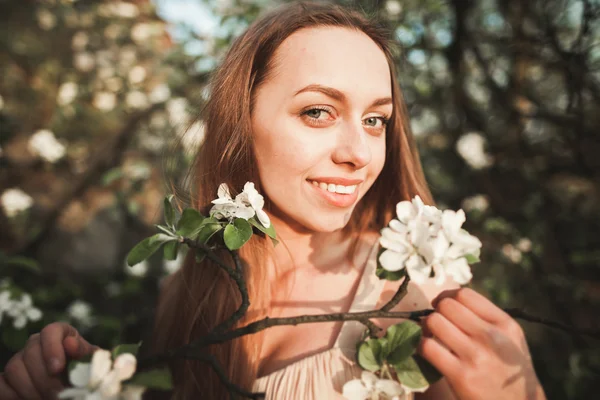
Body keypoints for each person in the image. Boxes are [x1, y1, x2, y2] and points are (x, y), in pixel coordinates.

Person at [0, 2, 547, 399]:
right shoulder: (195, 284)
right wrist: (103, 383)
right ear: (242, 126)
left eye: (375, 120)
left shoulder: (417, 293)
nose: (359, 153)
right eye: (318, 112)